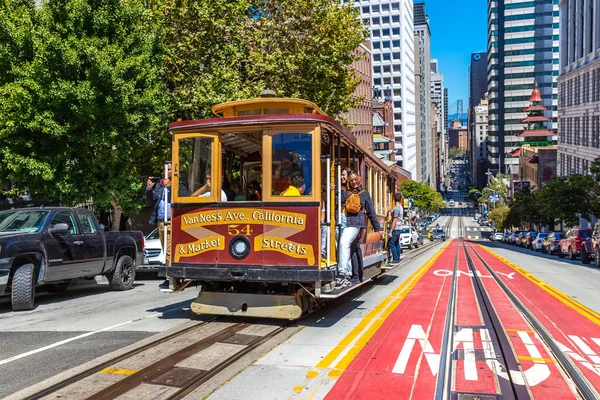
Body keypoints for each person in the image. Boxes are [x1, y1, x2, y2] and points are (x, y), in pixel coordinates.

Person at [338, 171, 384, 288]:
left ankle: (343, 273)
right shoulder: (343, 190)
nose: (354, 182)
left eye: (355, 180)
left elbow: (371, 212)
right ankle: (349, 275)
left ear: (359, 180)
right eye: (351, 180)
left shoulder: (364, 194)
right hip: (342, 223)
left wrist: (378, 228)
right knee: (347, 248)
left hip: (355, 224)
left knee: (344, 244)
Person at [147, 164, 186, 289]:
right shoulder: (159, 185)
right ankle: (169, 276)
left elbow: (182, 198)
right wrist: (149, 189)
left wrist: (169, 188)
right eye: (166, 169)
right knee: (165, 250)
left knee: (169, 251)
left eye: (169, 169)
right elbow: (150, 201)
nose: (167, 172)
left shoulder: (179, 186)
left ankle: (169, 277)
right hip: (161, 221)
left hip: (172, 221)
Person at [388, 193, 404, 266]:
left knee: (391, 244)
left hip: (396, 228)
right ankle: (398, 258)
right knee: (396, 243)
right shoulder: (400, 207)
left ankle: (395, 259)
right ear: (400, 199)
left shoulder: (396, 208)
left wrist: (391, 231)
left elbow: (395, 220)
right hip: (400, 228)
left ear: (394, 199)